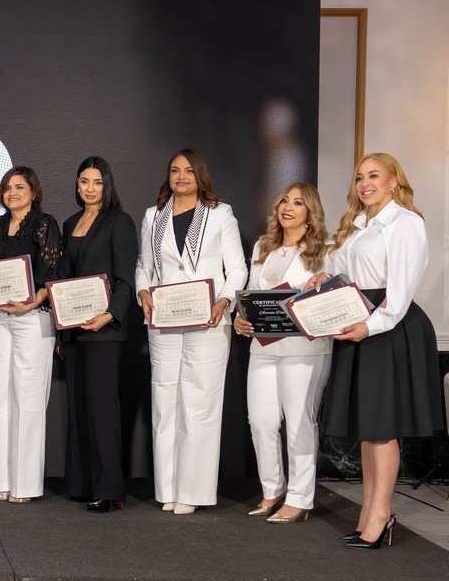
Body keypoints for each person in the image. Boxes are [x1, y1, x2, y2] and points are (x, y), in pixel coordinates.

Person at [312, 153, 442, 548]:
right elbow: (349, 276)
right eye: (359, 177)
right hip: (360, 322)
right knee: (369, 429)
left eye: (373, 176)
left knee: (382, 429)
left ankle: (380, 515)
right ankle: (370, 513)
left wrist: (369, 326)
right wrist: (326, 277)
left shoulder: (405, 222)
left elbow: (399, 292)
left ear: (393, 181)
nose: (364, 184)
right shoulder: (359, 225)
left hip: (388, 327)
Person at [134, 149, 247, 515]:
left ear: (201, 175)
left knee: (200, 404)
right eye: (174, 170)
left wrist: (224, 301)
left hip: (208, 321)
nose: (181, 176)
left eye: (188, 170)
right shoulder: (153, 216)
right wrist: (142, 291)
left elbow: (238, 268)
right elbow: (144, 266)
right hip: (164, 321)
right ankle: (168, 488)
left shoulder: (220, 213)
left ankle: (193, 492)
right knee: (165, 403)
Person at [232, 183, 332, 524]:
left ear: (310, 212)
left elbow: (332, 295)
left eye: (298, 202)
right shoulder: (263, 246)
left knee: (300, 421)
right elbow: (251, 295)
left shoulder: (325, 250)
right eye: (285, 201)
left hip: (305, 348)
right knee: (261, 421)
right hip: (263, 345)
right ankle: (272, 490)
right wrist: (239, 319)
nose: (288, 207)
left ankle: (300, 498)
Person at [0, 166, 64, 504]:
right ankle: (3, 481)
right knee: (0, 397)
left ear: (33, 192)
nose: (12, 193)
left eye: (20, 187)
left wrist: (34, 301)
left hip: (32, 317)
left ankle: (25, 484)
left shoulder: (45, 224)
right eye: (8, 187)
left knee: (29, 398)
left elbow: (53, 273)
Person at [60, 157, 138, 513]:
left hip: (105, 330)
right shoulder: (69, 223)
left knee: (102, 409)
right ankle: (82, 484)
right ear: (77, 185)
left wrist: (109, 314)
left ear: (107, 185)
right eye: (84, 181)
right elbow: (63, 281)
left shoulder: (119, 221)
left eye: (97, 182)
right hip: (73, 331)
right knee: (79, 408)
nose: (89, 188)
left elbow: (125, 279)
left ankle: (110, 490)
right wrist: (61, 331)